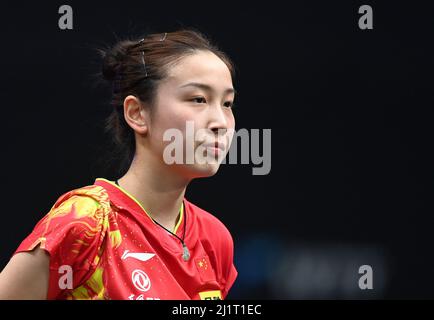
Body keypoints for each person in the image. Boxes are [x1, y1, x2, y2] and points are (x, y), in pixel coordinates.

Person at [0, 29, 238, 300]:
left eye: (228, 103)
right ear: (137, 113)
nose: (220, 121)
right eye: (198, 99)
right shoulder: (85, 224)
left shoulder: (214, 239)